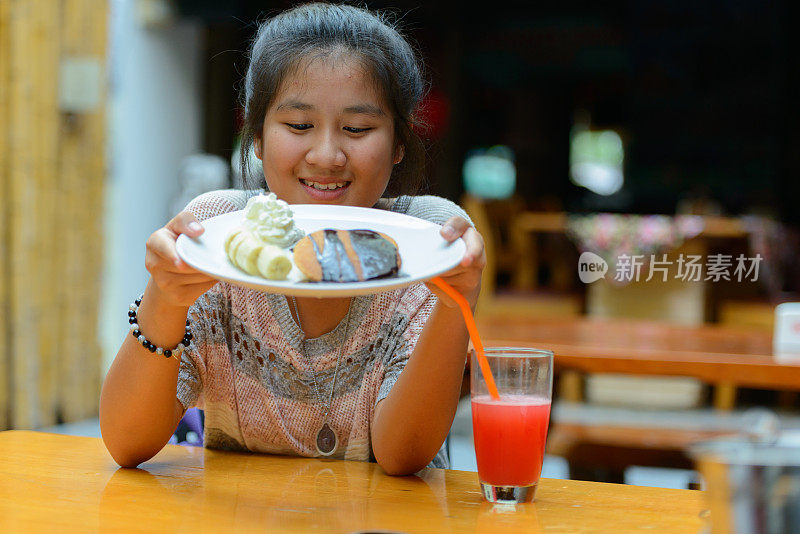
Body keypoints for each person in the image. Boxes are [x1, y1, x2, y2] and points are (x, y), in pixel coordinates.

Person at [99, 2, 485, 476]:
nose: (326, 155)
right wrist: (164, 300)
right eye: (299, 126)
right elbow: (126, 442)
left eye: (358, 129)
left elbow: (401, 457)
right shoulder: (218, 232)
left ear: (399, 142)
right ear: (257, 137)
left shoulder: (429, 243)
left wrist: (453, 306)